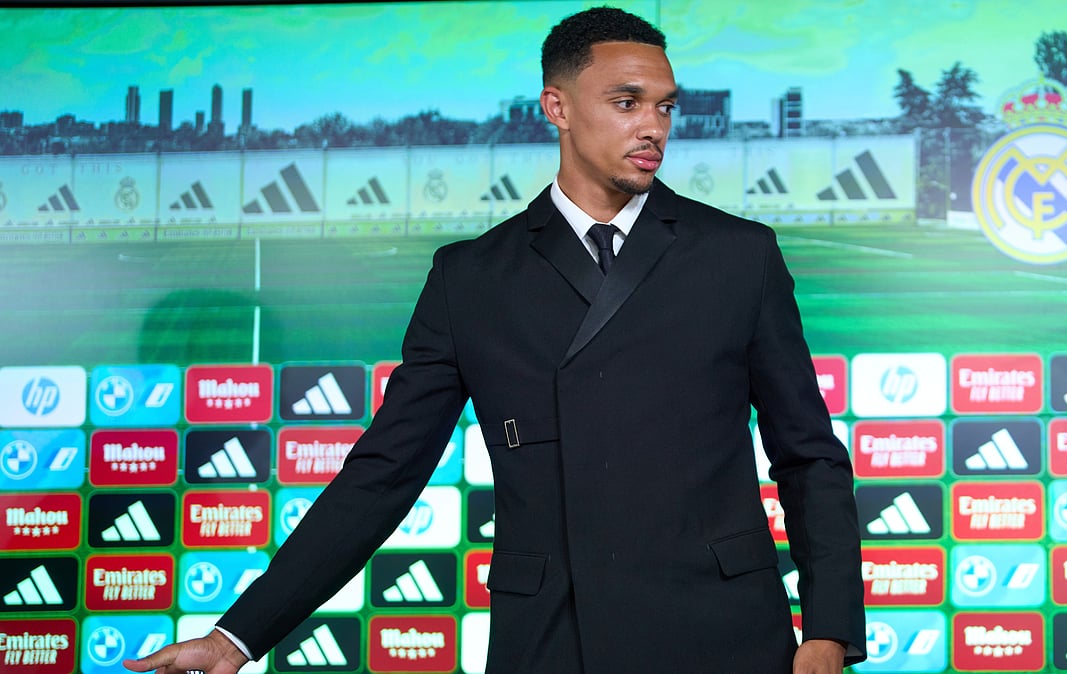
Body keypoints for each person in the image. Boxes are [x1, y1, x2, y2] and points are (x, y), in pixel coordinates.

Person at [127, 7, 865, 674]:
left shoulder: (738, 255)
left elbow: (809, 456)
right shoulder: (471, 278)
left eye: (666, 107)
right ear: (557, 108)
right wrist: (239, 636)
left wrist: (828, 633)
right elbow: (382, 475)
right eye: (627, 102)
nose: (654, 127)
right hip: (551, 640)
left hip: (725, 637)